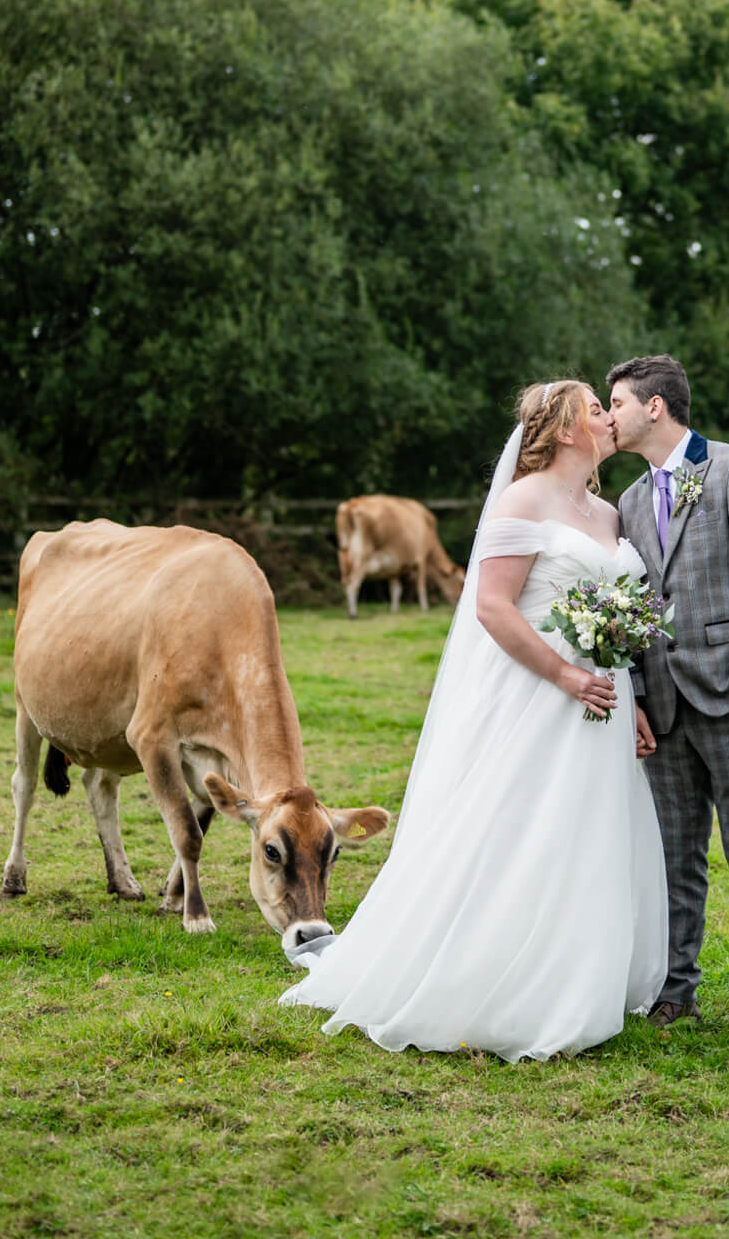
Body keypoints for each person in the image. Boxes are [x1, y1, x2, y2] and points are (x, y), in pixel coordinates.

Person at [279, 380, 668, 1061]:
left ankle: (576, 973)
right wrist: (567, 675)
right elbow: (492, 607)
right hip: (539, 697)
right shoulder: (522, 501)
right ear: (566, 429)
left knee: (589, 835)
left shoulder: (606, 515)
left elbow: (615, 612)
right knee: (523, 832)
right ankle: (499, 981)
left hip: (605, 703)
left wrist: (627, 700)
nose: (610, 419)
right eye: (597, 410)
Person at [607, 354, 729, 1050]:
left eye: (618, 403)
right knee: (672, 860)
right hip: (661, 706)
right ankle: (675, 991)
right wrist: (631, 693)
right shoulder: (627, 503)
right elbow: (627, 607)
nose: (610, 416)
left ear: (654, 407)